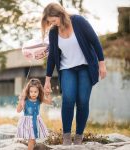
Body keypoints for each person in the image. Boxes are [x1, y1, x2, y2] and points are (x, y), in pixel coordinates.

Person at [41, 3, 107, 145]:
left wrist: (102, 63)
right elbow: (52, 56)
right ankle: (66, 137)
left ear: (60, 14)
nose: (52, 24)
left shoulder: (78, 21)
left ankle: (78, 137)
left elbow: (95, 41)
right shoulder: (53, 32)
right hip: (67, 68)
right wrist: (47, 80)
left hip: (85, 67)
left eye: (53, 20)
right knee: (68, 99)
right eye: (50, 22)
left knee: (82, 101)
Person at [16, 78, 51, 150]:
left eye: (35, 92)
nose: (33, 93)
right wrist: (21, 99)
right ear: (28, 92)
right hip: (28, 123)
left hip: (36, 121)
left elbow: (49, 102)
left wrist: (48, 94)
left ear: (39, 92)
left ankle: (32, 145)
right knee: (31, 139)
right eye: (31, 91)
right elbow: (18, 110)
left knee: (33, 139)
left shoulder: (39, 99)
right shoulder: (25, 100)